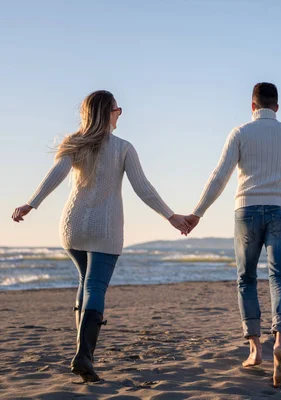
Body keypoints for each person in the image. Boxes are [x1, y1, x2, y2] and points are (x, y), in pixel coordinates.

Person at [11, 90, 190, 382]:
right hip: (105, 227)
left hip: (72, 226)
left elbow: (56, 174)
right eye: (118, 110)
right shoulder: (122, 148)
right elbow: (143, 188)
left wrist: (32, 203)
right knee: (95, 285)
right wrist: (171, 216)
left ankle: (82, 350)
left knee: (85, 281)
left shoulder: (75, 143)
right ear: (108, 113)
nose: (120, 115)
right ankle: (84, 355)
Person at [185, 82, 281, 387]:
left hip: (246, 210)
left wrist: (197, 212)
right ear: (277, 107)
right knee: (280, 279)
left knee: (246, 278)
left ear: (252, 106)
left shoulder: (240, 133)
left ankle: (255, 349)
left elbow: (219, 176)